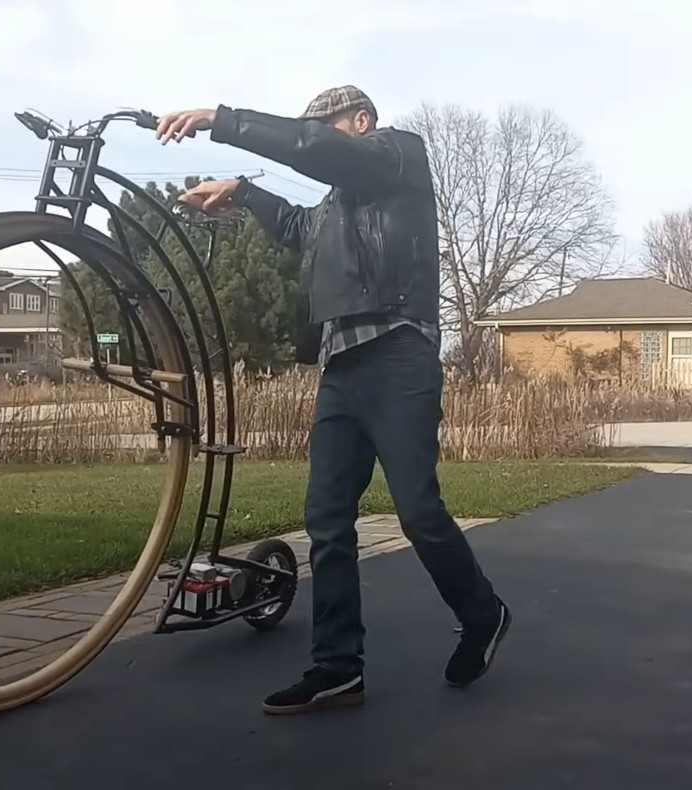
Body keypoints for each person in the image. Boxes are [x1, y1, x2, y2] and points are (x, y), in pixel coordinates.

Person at [155, 86, 510, 716]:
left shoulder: (400, 155)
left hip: (399, 354)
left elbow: (315, 150)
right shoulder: (334, 207)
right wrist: (240, 191)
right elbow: (297, 225)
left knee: (418, 512)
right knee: (326, 521)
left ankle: (483, 614)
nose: (313, 140)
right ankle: (337, 667)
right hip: (341, 368)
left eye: (322, 129)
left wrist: (223, 120)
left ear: (361, 122)